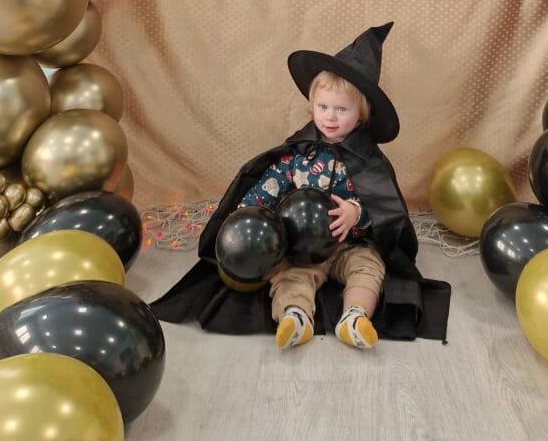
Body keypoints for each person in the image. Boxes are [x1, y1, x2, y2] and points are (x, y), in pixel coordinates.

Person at [151, 23, 450, 346]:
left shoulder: (369, 161)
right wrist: (246, 212)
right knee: (289, 275)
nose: (330, 117)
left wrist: (356, 214)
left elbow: (384, 209)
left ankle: (354, 317)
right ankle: (295, 316)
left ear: (362, 114)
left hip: (351, 245)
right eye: (323, 107)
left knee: (368, 269)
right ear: (312, 106)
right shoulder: (298, 154)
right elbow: (269, 186)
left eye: (341, 109)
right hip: (302, 249)